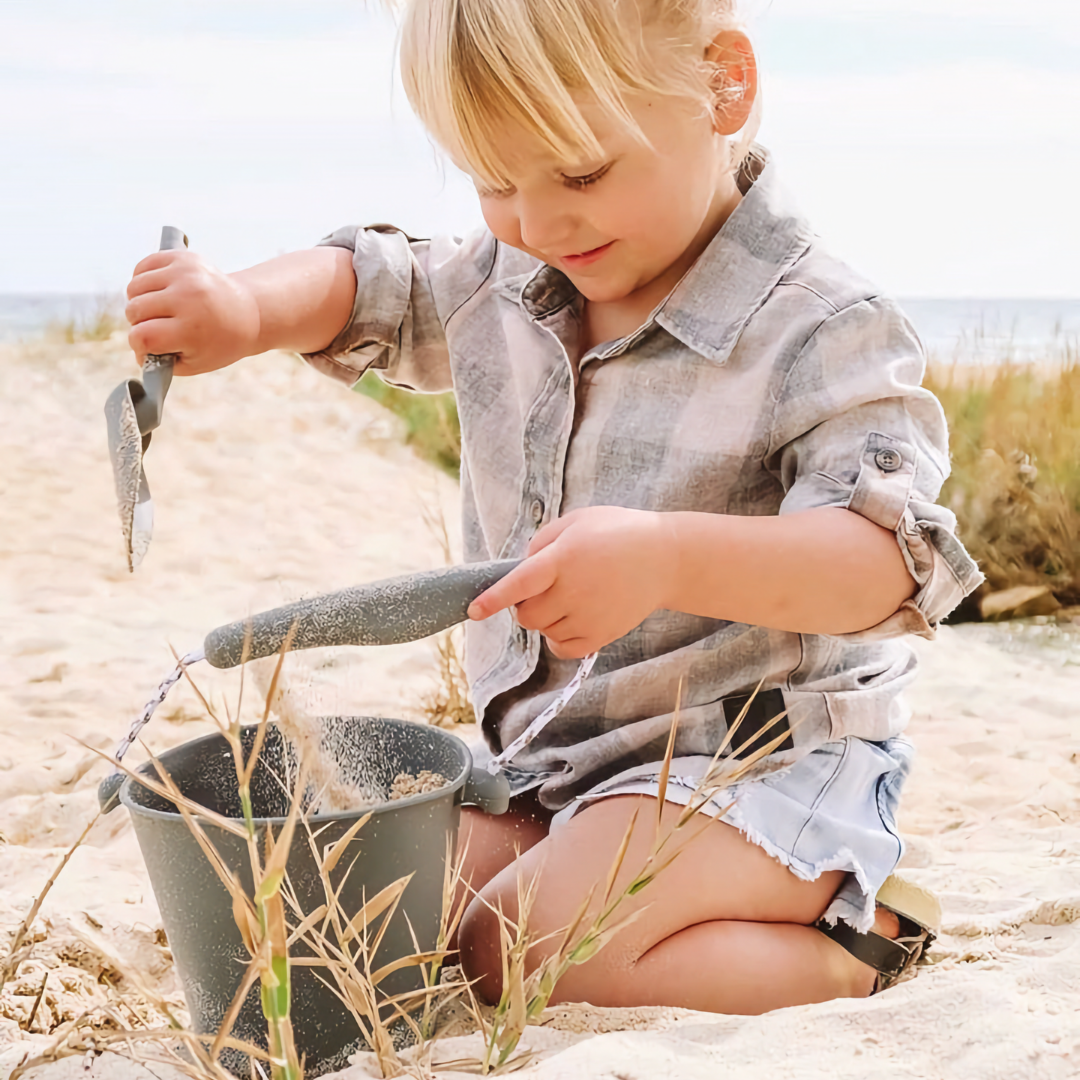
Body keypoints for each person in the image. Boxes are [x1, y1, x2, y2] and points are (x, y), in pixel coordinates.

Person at [124, 0, 982, 1013]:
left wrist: (668, 556)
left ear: (724, 88)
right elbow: (374, 285)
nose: (537, 222)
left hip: (754, 771)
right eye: (495, 181)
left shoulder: (819, 329)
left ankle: (858, 940)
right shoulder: (516, 278)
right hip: (549, 766)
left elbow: (886, 564)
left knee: (519, 950)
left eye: (579, 173)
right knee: (364, 904)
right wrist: (247, 309)